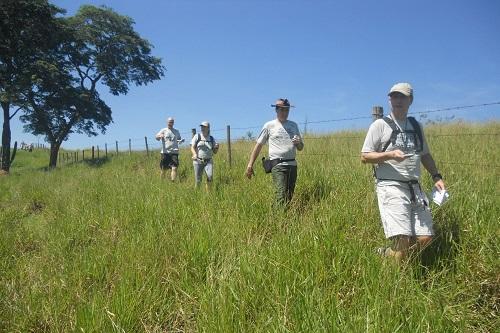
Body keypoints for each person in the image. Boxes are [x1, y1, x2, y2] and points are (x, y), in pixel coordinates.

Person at [361, 83, 446, 263]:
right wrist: (389, 155)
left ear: (410, 100)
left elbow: (425, 154)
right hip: (390, 186)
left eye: (402, 97)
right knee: (402, 239)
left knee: (425, 238)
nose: (398, 100)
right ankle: (394, 281)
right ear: (389, 99)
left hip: (415, 188)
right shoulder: (380, 125)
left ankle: (391, 255)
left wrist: (436, 176)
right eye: (394, 96)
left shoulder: (416, 126)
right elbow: (365, 156)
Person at [245, 98, 304, 207]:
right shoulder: (269, 125)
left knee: (289, 196)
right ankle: (279, 221)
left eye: (287, 110)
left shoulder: (293, 125)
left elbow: (300, 147)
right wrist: (250, 164)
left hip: (292, 165)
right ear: (276, 110)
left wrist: (298, 143)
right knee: (280, 194)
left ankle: (283, 219)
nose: (285, 112)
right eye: (282, 110)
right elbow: (258, 145)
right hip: (278, 165)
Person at [190, 121, 219, 190]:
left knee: (210, 176)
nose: (202, 128)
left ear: (208, 128)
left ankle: (208, 194)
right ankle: (196, 193)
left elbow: (215, 152)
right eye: (202, 127)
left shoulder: (211, 138)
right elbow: (192, 147)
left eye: (204, 127)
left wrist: (217, 147)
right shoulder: (197, 136)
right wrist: (194, 154)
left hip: (208, 161)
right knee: (198, 180)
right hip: (198, 161)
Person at [155, 117, 183, 181]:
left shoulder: (176, 131)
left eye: (172, 122)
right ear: (167, 122)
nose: (170, 123)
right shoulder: (163, 130)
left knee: (174, 168)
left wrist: (181, 141)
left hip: (174, 152)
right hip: (165, 152)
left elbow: (179, 139)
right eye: (169, 122)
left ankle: (173, 182)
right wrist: (159, 136)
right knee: (164, 169)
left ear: (173, 123)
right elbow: (156, 137)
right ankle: (161, 182)